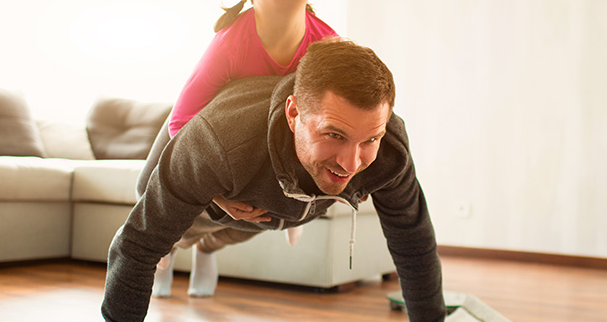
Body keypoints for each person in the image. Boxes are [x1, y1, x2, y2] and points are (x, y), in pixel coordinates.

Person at [103, 38, 447, 322]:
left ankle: (207, 250)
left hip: (270, 205)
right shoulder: (218, 142)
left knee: (246, 225)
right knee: (163, 233)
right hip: (215, 174)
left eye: (369, 139)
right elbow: (136, 246)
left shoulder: (390, 150)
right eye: (334, 135)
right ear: (294, 114)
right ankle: (175, 251)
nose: (351, 163)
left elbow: (413, 242)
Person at [135, 0, 337, 298]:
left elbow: (329, 124)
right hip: (202, 128)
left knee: (261, 216)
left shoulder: (326, 46)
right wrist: (215, 196)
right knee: (145, 186)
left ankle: (206, 250)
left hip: (264, 139)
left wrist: (304, 189)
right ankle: (165, 249)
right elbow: (182, 121)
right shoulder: (229, 44)